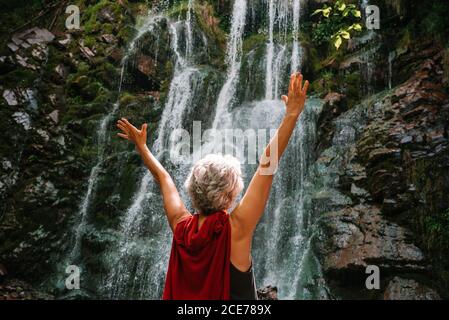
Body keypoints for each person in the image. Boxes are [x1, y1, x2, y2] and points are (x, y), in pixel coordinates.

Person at [116, 72, 309, 300]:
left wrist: (142, 147)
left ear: (193, 190)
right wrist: (292, 115)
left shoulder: (181, 227)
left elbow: (164, 178)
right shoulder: (235, 229)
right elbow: (268, 163)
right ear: (230, 194)